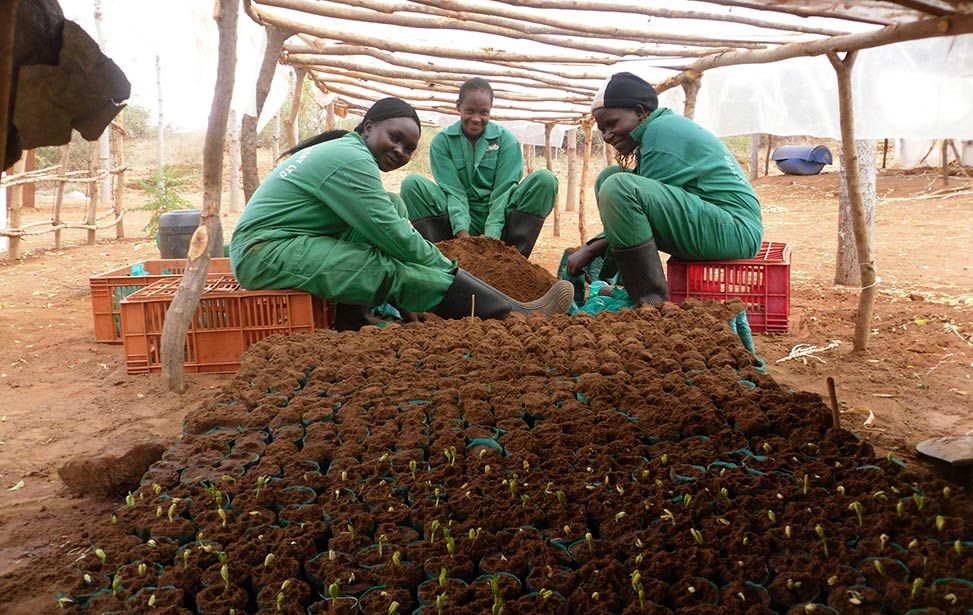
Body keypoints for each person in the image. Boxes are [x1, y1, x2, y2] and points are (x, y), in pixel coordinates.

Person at [229, 97, 573, 329]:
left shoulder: (346, 151)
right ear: (367, 127)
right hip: (266, 253)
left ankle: (354, 321)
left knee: (392, 206)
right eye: (394, 138)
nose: (400, 151)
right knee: (386, 268)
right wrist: (451, 269)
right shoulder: (351, 159)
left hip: (281, 244)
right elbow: (395, 237)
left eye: (409, 149)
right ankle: (511, 312)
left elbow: (387, 219)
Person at [566, 72, 763, 306]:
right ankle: (616, 283)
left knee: (619, 187)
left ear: (639, 112)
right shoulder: (656, 129)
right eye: (602, 129)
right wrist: (595, 249)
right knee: (611, 177)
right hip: (720, 222)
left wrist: (590, 250)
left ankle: (651, 304)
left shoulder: (662, 132)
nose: (607, 136)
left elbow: (635, 205)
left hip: (736, 229)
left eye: (612, 124)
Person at [400, 78, 558, 258]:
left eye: (484, 112)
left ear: (491, 110)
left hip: (502, 218)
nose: (476, 119)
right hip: (455, 218)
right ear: (458, 106)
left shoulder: (506, 140)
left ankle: (512, 259)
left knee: (545, 180)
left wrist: (490, 241)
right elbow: (454, 192)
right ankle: (446, 256)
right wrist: (463, 236)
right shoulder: (442, 142)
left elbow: (502, 193)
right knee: (411, 184)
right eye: (469, 111)